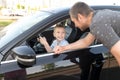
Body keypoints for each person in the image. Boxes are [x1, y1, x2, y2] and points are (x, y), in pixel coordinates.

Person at [53, 1, 120, 66]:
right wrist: (63, 48)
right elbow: (85, 42)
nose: (75, 25)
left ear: (79, 17)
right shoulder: (97, 19)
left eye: (74, 21)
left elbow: (118, 52)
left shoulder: (98, 24)